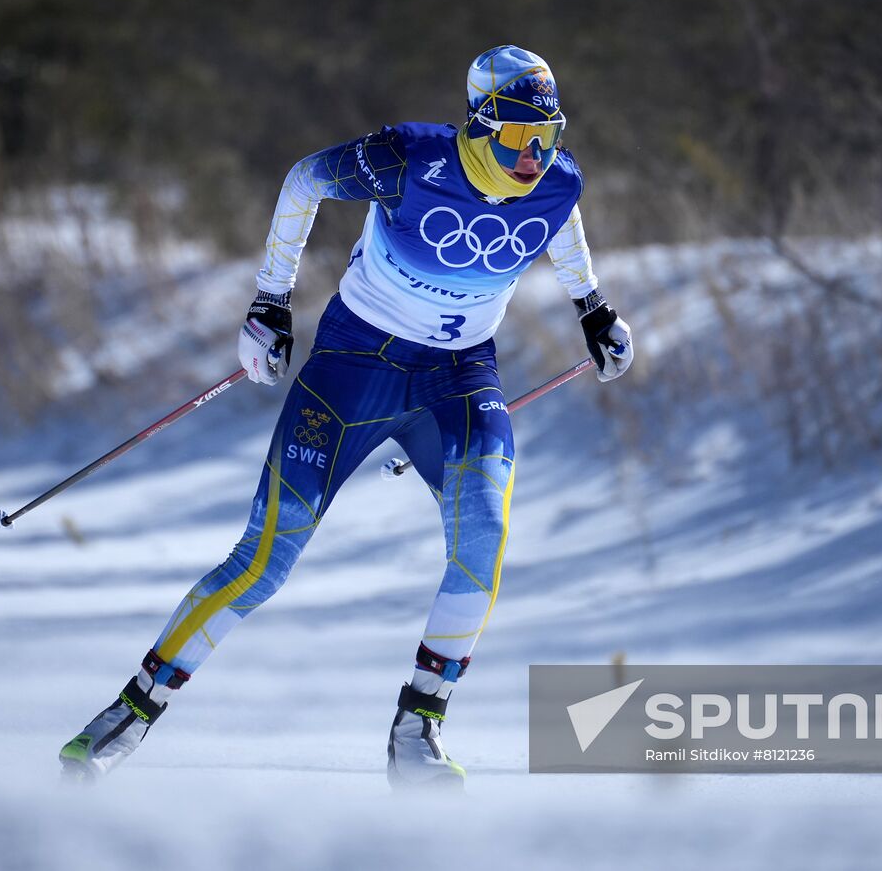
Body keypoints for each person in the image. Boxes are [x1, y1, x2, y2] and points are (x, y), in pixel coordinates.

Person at [58, 44, 633, 788]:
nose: (534, 154)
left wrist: (592, 306)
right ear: (481, 122)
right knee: (264, 562)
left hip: (457, 377)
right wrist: (270, 299)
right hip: (351, 370)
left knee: (484, 538)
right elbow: (304, 181)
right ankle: (129, 714)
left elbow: (564, 217)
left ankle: (416, 731)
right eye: (521, 134)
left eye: (548, 134)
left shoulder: (557, 179)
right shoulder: (407, 157)